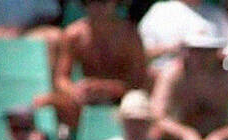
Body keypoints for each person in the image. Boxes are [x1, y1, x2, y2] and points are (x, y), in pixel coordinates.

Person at [45, 0, 151, 130]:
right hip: (87, 100)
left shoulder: (129, 35)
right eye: (92, 2)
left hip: (122, 99)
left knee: (137, 104)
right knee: (47, 102)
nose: (98, 7)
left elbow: (140, 82)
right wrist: (76, 91)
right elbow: (61, 79)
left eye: (103, 2)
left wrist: (108, 89)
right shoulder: (74, 35)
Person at [138, 0, 228, 79]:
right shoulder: (159, 11)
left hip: (210, 87)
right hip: (163, 81)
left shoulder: (218, 15)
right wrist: (170, 49)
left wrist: (222, 65)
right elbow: (140, 54)